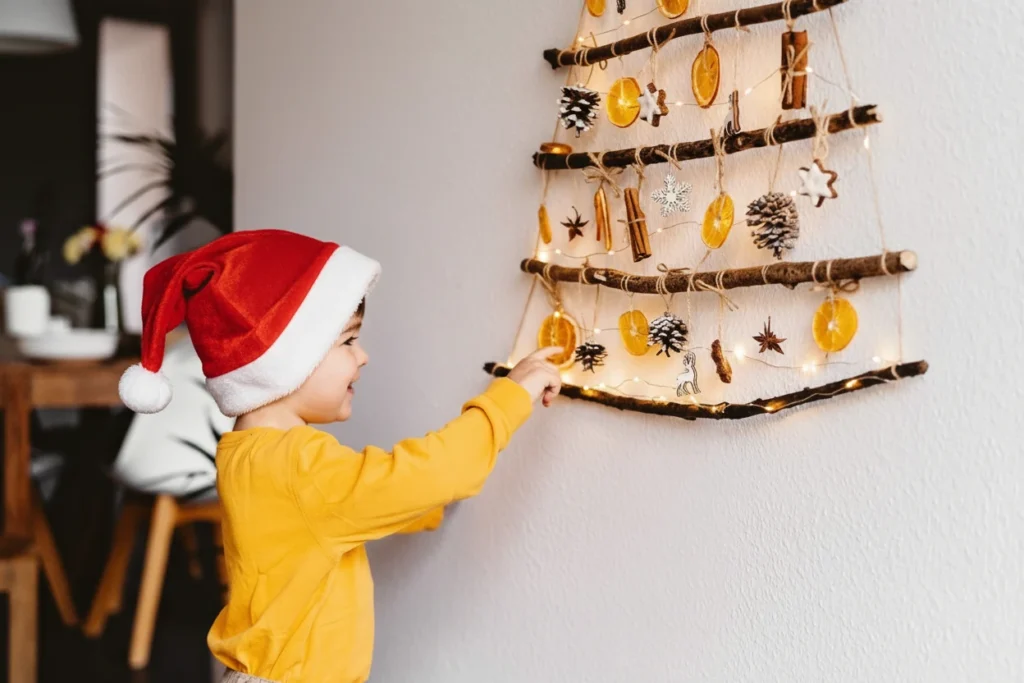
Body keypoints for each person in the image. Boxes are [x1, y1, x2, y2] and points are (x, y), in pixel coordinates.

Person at [118, 229, 562, 683]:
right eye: (348, 341)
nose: (363, 357)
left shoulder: (250, 452)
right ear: (287, 361)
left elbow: (348, 504)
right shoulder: (299, 466)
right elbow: (427, 475)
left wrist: (420, 509)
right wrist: (511, 397)